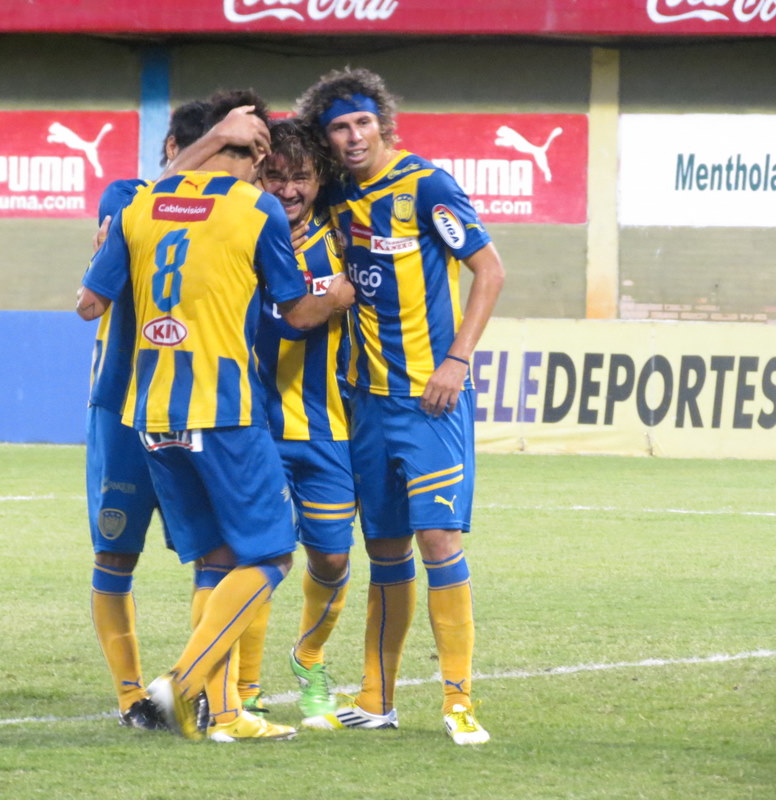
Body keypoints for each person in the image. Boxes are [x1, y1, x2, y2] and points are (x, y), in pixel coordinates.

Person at [76, 89, 355, 743]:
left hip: (148, 412)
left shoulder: (141, 205)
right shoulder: (253, 208)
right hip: (222, 408)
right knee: (271, 555)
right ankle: (181, 685)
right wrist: (339, 294)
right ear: (254, 153)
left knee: (219, 556)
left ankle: (224, 712)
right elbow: (293, 310)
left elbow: (88, 304)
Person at [295, 67, 505, 745]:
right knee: (384, 550)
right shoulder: (334, 195)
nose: (353, 136)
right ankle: (377, 698)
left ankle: (458, 701)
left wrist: (457, 360)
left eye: (362, 122)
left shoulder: (427, 186)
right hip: (364, 402)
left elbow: (490, 270)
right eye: (339, 126)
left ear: (382, 122)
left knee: (439, 541)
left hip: (428, 400)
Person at [86, 100, 209, 731]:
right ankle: (131, 695)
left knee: (215, 554)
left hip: (199, 406)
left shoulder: (240, 211)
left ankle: (199, 683)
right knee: (115, 553)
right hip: (122, 404)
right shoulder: (127, 196)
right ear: (172, 149)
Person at [252, 118, 355, 719]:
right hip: (251, 427)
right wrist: (327, 301)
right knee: (254, 560)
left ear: (319, 180)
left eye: (302, 178)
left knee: (332, 559)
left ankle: (309, 658)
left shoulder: (341, 239)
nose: (288, 190)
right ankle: (243, 689)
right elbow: (285, 321)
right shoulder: (239, 233)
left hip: (326, 428)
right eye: (275, 176)